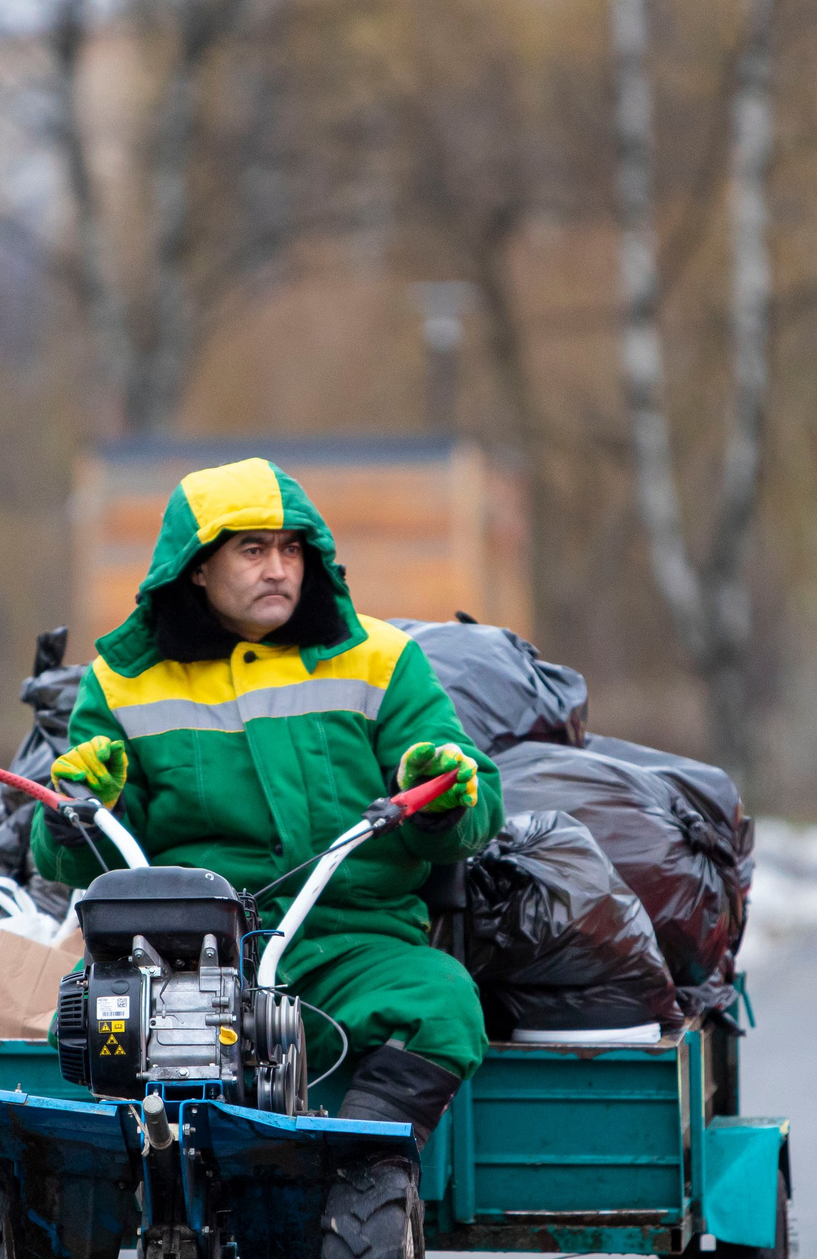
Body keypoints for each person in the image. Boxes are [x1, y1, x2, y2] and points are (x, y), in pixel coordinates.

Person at [29, 457, 500, 1146]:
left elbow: (476, 799)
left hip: (353, 949)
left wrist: (445, 796)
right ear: (196, 567)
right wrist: (80, 818)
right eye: (252, 550)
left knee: (445, 1002)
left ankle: (356, 1168)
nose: (278, 569)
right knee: (91, 1021)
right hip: (180, 959)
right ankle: (151, 1171)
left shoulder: (383, 659)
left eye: (291, 550)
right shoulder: (119, 685)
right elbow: (73, 860)